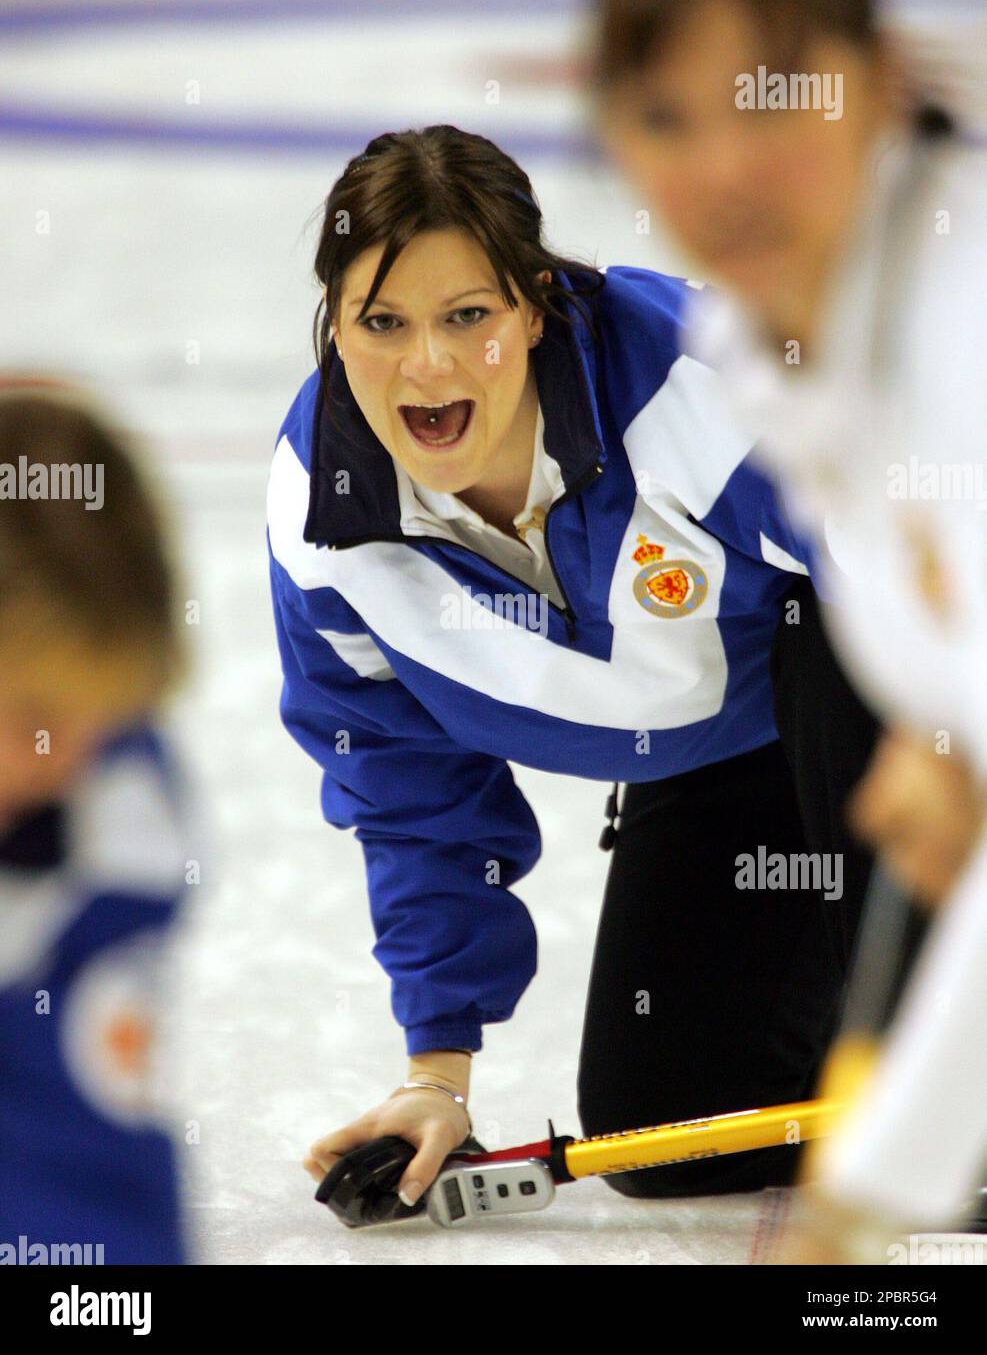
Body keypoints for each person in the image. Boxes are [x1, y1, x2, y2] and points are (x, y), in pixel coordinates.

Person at [266, 124, 882, 1212]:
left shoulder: (699, 380)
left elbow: (930, 591)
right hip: (719, 760)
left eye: (470, 316)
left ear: (535, 304)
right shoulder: (321, 521)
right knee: (670, 1127)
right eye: (384, 323)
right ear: (333, 330)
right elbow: (407, 788)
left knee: (854, 622)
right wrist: (436, 1074)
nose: (429, 365)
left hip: (874, 711)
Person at [592, 0, 987, 1248]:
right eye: (666, 117)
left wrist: (877, 1179)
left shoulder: (959, 335)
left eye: (774, 100)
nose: (721, 169)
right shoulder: (771, 347)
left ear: (879, 89)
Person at [0, 379, 192, 1264]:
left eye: (102, 717)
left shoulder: (118, 842)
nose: (59, 763)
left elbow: (80, 1188)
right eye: (32, 712)